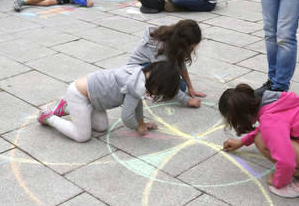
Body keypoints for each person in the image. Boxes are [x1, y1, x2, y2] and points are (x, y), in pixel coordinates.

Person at [219, 83, 299, 198]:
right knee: (265, 137)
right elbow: (270, 127)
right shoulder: (275, 101)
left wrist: (277, 181)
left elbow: (286, 161)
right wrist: (242, 142)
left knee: (261, 141)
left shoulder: (270, 121)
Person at [38, 61, 180, 143]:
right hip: (79, 94)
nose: (157, 96)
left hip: (94, 99)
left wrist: (142, 122)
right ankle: (49, 117)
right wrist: (137, 126)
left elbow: (137, 104)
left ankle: (67, 108)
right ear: (158, 84)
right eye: (160, 93)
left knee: (101, 127)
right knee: (82, 136)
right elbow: (127, 117)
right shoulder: (136, 85)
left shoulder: (141, 75)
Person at [126, 19, 204, 108]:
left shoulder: (175, 41)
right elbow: (163, 76)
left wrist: (190, 87)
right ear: (184, 43)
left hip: (153, 66)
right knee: (171, 86)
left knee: (181, 86)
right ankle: (147, 90)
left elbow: (181, 63)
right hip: (136, 71)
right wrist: (187, 100)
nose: (193, 49)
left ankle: (153, 87)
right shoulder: (160, 47)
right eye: (192, 46)